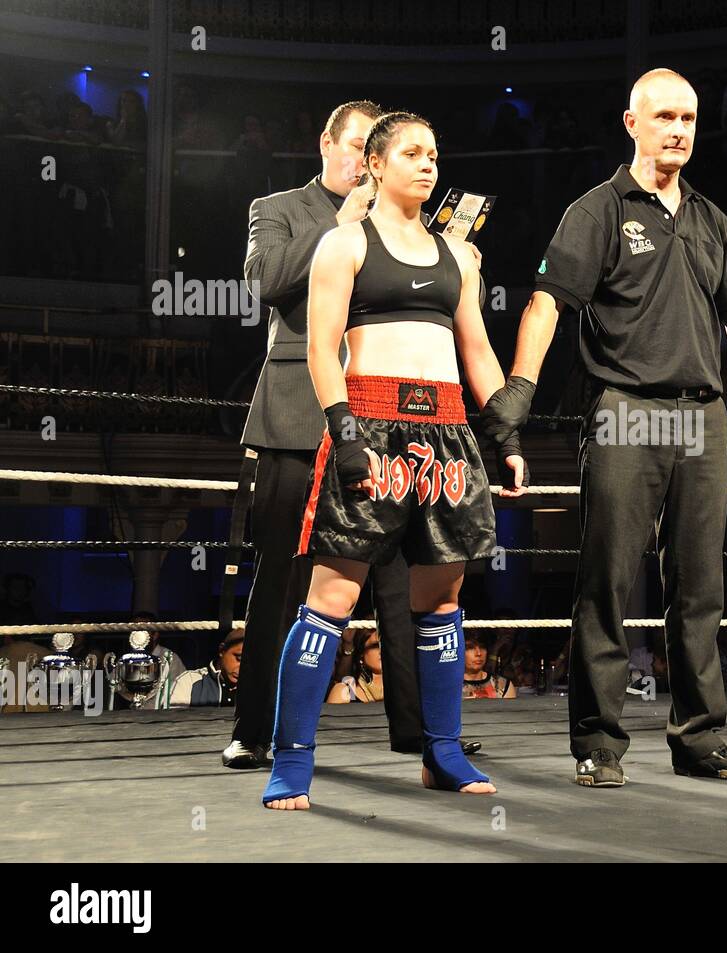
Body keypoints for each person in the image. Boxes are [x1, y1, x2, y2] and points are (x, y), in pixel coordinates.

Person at [478, 68, 727, 787]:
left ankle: (700, 738)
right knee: (609, 579)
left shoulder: (713, 219)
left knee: (700, 586)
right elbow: (547, 303)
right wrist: (520, 388)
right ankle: (598, 741)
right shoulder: (596, 210)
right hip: (624, 407)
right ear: (632, 123)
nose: (679, 129)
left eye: (688, 117)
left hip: (703, 415)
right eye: (664, 117)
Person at [260, 110, 526, 810]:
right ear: (376, 164)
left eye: (434, 154)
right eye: (411, 152)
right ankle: (292, 758)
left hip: (446, 432)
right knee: (331, 598)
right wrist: (343, 430)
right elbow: (322, 347)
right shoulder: (342, 245)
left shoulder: (459, 256)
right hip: (370, 423)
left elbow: (476, 350)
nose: (428, 164)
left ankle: (440, 752)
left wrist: (507, 436)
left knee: (439, 600)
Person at [229, 100, 475, 769]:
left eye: (377, 148)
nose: (368, 162)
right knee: (284, 577)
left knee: (402, 583)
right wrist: (341, 224)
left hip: (389, 420)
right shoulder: (280, 209)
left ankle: (426, 736)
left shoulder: (403, 221)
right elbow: (269, 283)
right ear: (330, 147)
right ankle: (257, 730)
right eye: (360, 146)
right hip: (296, 415)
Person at [172, 633, 241, 707]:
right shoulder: (189, 681)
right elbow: (171, 717)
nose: (242, 668)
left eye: (248, 662)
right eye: (239, 658)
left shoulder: (253, 687)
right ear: (222, 650)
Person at [328, 630, 384, 703]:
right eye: (376, 645)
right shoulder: (346, 691)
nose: (383, 650)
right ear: (362, 654)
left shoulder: (402, 688)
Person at [463, 632, 516, 699]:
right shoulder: (449, 684)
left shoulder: (502, 685)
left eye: (482, 647)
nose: (479, 653)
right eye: (470, 648)